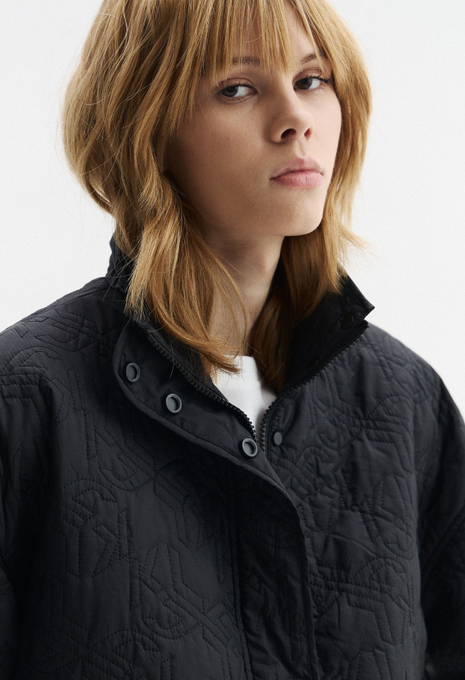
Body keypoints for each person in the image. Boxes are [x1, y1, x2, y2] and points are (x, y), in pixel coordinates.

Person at [0, 0, 464, 677]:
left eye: (311, 80)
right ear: (148, 126)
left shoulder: (405, 402)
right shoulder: (28, 398)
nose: (295, 119)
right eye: (238, 88)